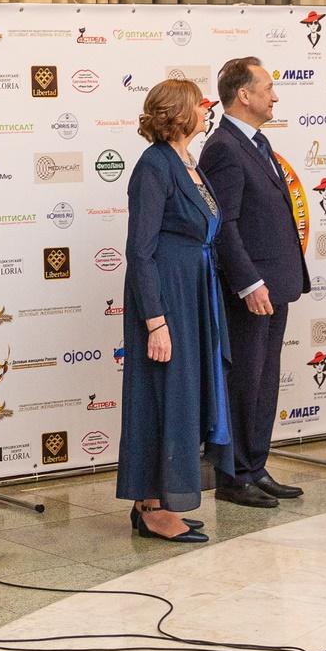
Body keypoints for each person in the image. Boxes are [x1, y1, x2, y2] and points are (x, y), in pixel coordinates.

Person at [118, 78, 229, 543]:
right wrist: (156, 322)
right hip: (166, 297)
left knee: (183, 396)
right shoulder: (154, 165)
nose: (206, 109)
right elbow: (139, 251)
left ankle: (158, 498)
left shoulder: (187, 161)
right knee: (160, 397)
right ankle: (152, 507)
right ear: (182, 113)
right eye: (199, 104)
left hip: (194, 294)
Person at [199, 57, 313, 510]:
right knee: (244, 381)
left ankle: (254, 466)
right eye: (267, 88)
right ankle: (232, 476)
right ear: (243, 95)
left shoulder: (258, 142)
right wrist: (248, 283)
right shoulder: (224, 147)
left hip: (275, 284)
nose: (275, 96)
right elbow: (224, 224)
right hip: (249, 291)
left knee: (264, 382)